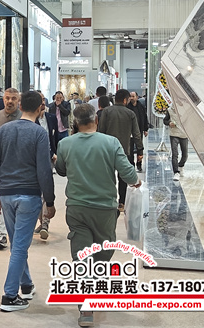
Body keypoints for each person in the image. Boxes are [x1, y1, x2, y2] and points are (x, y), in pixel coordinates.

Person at [56, 103, 141, 328]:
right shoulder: (111, 143)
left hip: (77, 208)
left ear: (75, 123)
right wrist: (136, 181)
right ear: (96, 120)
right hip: (104, 208)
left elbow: (61, 170)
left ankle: (86, 308)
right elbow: (127, 172)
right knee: (104, 252)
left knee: (81, 255)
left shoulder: (65, 144)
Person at [0, 90, 55, 312]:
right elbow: (44, 170)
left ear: (21, 105)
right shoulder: (39, 133)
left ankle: (26, 285)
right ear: (40, 108)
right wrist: (50, 200)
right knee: (19, 247)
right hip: (29, 194)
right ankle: (9, 296)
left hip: (6, 193)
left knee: (17, 244)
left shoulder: (4, 130)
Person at [98, 89, 143, 211]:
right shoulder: (130, 114)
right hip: (124, 150)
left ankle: (108, 200)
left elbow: (101, 131)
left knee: (108, 176)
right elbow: (136, 134)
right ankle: (122, 202)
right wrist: (140, 151)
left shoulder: (106, 111)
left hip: (107, 150)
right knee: (123, 177)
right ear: (124, 100)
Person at [0, 87, 21, 249]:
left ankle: (17, 232)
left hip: (21, 164)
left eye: (13, 98)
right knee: (0, 197)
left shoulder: (24, 117)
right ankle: (2, 234)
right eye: (7, 98)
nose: (10, 101)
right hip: (1, 164)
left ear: (18, 101)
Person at [34, 93, 58, 240]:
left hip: (49, 159)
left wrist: (55, 153)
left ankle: (45, 224)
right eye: (40, 100)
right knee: (36, 192)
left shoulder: (51, 118)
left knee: (46, 190)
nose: (43, 103)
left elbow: (54, 138)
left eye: (43, 99)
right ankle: (41, 221)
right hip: (34, 159)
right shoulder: (31, 120)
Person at [164, 105, 188, 182]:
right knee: (175, 154)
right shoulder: (170, 110)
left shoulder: (185, 109)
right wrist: (169, 123)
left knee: (185, 155)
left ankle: (181, 165)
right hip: (174, 134)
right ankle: (176, 172)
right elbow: (165, 120)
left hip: (184, 134)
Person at [127, 91, 149, 172]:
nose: (131, 98)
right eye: (130, 96)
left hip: (139, 130)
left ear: (137, 97)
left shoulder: (141, 107)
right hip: (129, 131)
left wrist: (145, 129)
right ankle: (131, 165)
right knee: (130, 149)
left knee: (140, 148)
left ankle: (139, 164)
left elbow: (144, 117)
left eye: (133, 96)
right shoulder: (127, 107)